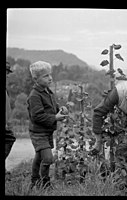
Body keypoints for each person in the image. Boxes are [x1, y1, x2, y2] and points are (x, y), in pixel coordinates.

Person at [27, 61, 68, 189]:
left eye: (50, 75)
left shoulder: (48, 92)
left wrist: (60, 109)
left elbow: (53, 107)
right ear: (35, 79)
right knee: (48, 158)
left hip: (47, 131)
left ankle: (35, 181)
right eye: (45, 76)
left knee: (39, 157)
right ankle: (45, 183)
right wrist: (55, 118)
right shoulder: (34, 96)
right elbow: (37, 116)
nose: (50, 78)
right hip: (38, 132)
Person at [5, 61, 16, 174]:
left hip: (7, 123)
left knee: (10, 139)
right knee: (9, 139)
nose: (7, 75)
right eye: (6, 72)